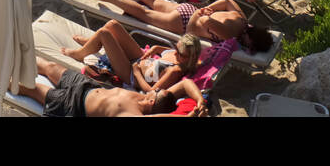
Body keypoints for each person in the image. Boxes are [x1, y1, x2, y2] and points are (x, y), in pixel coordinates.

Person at [94, 0, 273, 47]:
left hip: (189, 9)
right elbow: (202, 25)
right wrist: (193, 27)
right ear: (251, 40)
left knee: (155, 1)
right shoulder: (230, 34)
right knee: (145, 15)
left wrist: (210, 9)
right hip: (185, 21)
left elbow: (228, 2)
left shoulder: (241, 19)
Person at [16, 57, 201, 117]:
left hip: (71, 105)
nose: (157, 87)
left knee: (31, 88)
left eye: (159, 91)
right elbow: (185, 84)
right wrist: (200, 100)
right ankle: (16, 55)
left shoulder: (132, 114)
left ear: (152, 100)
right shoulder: (147, 96)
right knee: (50, 67)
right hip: (85, 85)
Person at [62, 20, 202, 92]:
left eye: (181, 54)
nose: (175, 53)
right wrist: (157, 48)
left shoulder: (174, 71)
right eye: (176, 48)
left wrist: (136, 73)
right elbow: (168, 51)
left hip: (131, 75)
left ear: (190, 58)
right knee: (113, 24)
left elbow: (151, 92)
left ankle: (80, 54)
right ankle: (93, 42)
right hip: (139, 58)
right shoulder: (179, 54)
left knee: (104, 33)